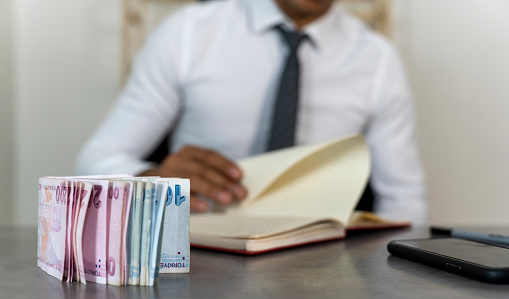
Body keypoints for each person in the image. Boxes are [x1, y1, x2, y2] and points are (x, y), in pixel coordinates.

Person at [76, 0, 428, 225]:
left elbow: (404, 200)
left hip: (319, 275)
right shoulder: (187, 34)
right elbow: (95, 159)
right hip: (198, 259)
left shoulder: (379, 61)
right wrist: (148, 176)